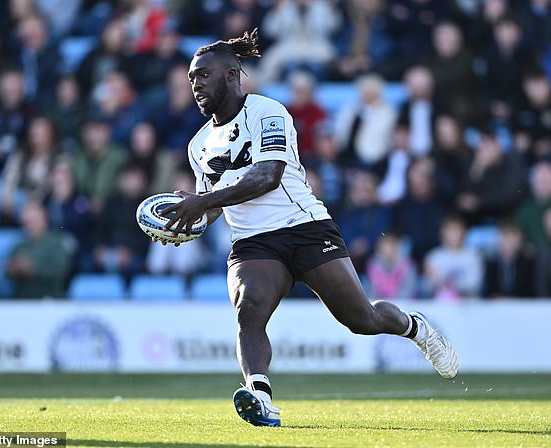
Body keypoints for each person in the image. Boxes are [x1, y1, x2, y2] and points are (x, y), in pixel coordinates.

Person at [153, 29, 458, 427]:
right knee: (249, 310)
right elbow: (210, 207)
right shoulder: (198, 145)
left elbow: (268, 176)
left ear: (232, 74)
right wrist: (188, 220)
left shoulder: (268, 112)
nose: (195, 85)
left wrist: (203, 202)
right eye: (192, 78)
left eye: (203, 76)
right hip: (252, 241)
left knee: (361, 320)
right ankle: (260, 396)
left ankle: (415, 327)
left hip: (304, 227)